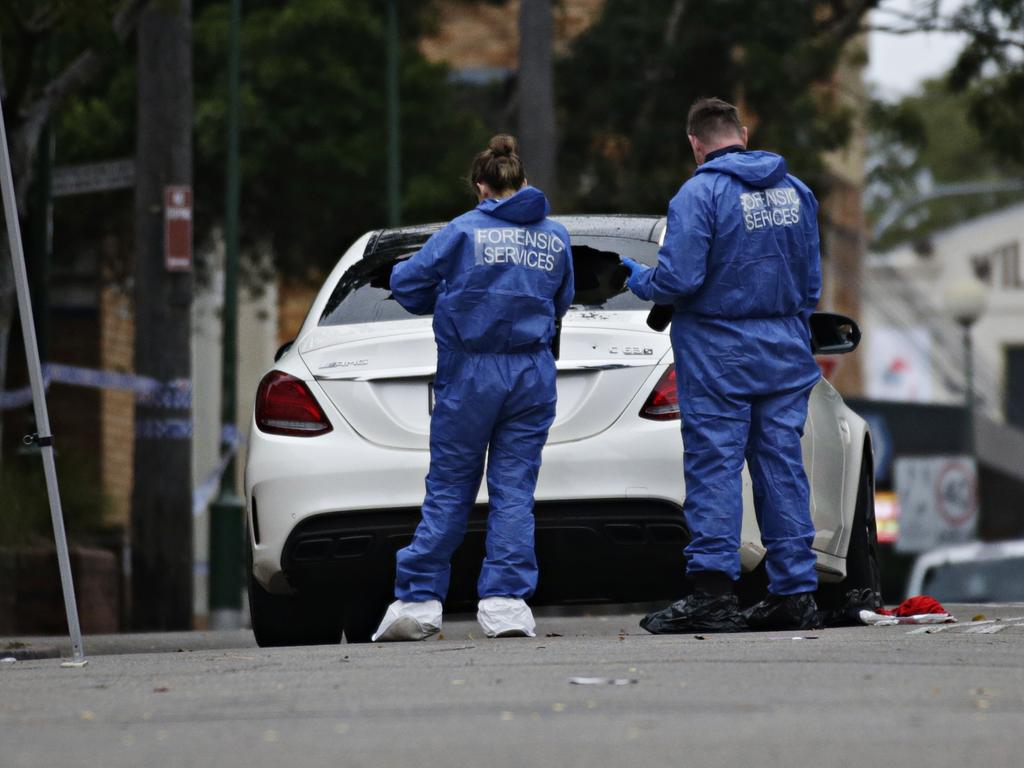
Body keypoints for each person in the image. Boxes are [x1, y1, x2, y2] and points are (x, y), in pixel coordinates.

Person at [621, 98, 823, 633]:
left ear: (694, 144)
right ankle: (795, 592)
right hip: (783, 350)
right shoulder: (796, 192)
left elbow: (680, 279)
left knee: (714, 468)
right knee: (782, 469)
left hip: (718, 356)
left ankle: (713, 591)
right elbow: (810, 285)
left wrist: (637, 279)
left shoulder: (699, 193)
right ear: (744, 134)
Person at [372, 134, 574, 642]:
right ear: (523, 182)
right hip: (532, 374)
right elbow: (561, 300)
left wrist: (449, 295)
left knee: (449, 488)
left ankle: (419, 602)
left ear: (480, 188)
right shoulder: (556, 237)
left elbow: (408, 285)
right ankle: (506, 603)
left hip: (468, 375)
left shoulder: (461, 232)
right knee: (514, 491)